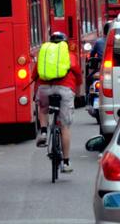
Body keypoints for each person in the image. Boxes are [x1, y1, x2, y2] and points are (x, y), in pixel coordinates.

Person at [35, 32, 82, 173]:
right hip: (65, 89)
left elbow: (34, 74)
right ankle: (66, 162)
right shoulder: (70, 56)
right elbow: (78, 76)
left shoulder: (43, 55)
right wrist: (78, 92)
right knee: (65, 127)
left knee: (42, 108)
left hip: (44, 88)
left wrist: (36, 94)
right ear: (65, 44)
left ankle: (43, 132)